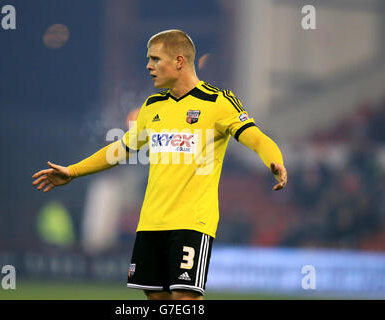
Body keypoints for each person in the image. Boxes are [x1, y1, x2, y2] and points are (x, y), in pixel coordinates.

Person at [32, 29, 287, 300]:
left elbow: (256, 137)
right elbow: (120, 150)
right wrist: (72, 171)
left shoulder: (217, 102)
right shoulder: (152, 107)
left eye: (155, 59)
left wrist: (276, 162)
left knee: (184, 298)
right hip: (151, 223)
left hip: (192, 222)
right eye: (148, 59)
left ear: (179, 61)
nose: (148, 66)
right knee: (156, 299)